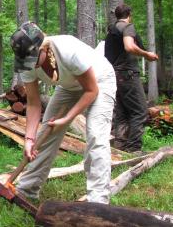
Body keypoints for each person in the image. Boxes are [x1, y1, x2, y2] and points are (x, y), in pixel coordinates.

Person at [10, 22, 116, 204]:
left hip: (100, 80)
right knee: (46, 133)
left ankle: (98, 201)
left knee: (96, 135)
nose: (30, 65)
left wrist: (68, 117)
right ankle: (26, 190)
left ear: (43, 48)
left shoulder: (68, 50)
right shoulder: (26, 63)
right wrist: (29, 139)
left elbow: (91, 91)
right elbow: (34, 104)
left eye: (33, 59)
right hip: (69, 86)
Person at [104, 4, 159, 153]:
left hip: (114, 76)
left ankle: (120, 147)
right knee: (140, 111)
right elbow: (129, 46)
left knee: (122, 112)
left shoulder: (112, 31)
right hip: (127, 75)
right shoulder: (127, 27)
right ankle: (134, 149)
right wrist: (147, 54)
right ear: (129, 14)